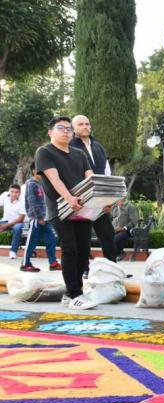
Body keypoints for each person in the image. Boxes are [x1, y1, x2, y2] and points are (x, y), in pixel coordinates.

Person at [35, 115, 97, 309]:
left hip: (83, 208)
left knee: (83, 251)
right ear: (50, 132)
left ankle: (72, 292)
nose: (66, 132)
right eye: (61, 128)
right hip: (60, 209)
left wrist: (102, 199)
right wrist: (70, 199)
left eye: (69, 129)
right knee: (70, 249)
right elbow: (54, 179)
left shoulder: (79, 154)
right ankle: (74, 294)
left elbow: (91, 179)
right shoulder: (44, 152)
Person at [71, 115, 118, 268]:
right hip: (82, 199)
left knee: (108, 234)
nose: (85, 126)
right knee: (83, 237)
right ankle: (84, 269)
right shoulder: (70, 146)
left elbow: (107, 172)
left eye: (87, 123)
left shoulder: (98, 146)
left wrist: (109, 198)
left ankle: (113, 268)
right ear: (74, 128)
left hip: (100, 198)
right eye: (80, 124)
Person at [21, 163, 60, 273]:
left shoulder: (42, 184)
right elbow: (32, 201)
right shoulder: (31, 184)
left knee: (51, 240)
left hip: (45, 218)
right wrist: (38, 217)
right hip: (36, 219)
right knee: (31, 242)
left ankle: (53, 263)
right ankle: (25, 264)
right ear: (34, 171)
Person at [0, 184, 26, 260]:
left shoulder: (23, 202)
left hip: (17, 223)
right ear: (9, 191)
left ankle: (13, 251)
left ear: (20, 193)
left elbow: (21, 219)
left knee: (18, 228)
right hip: (5, 221)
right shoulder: (5, 195)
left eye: (16, 192)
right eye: (12, 192)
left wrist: (5, 226)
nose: (14, 194)